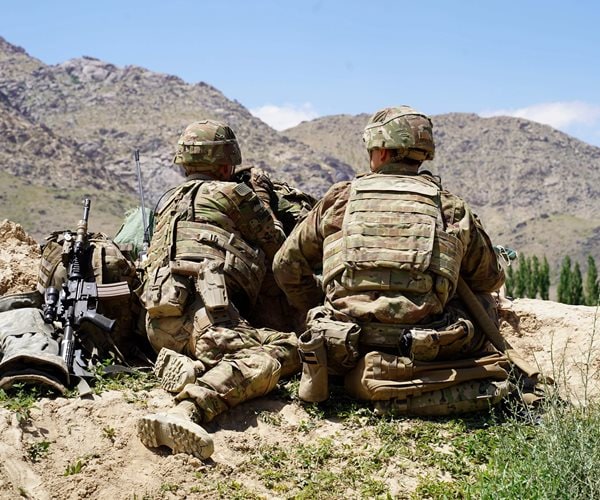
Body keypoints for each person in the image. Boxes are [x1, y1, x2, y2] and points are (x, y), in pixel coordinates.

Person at [273, 106, 512, 416]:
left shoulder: (340, 199)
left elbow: (286, 265)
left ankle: (360, 372)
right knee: (482, 302)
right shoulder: (449, 206)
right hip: (427, 344)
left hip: (342, 343)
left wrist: (318, 303)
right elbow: (488, 279)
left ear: (382, 151)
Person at [137, 119, 300, 459]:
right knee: (287, 349)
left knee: (235, 343)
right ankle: (188, 410)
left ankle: (194, 367)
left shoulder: (167, 201)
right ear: (227, 165)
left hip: (158, 327)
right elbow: (278, 245)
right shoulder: (234, 193)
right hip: (209, 324)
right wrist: (261, 196)